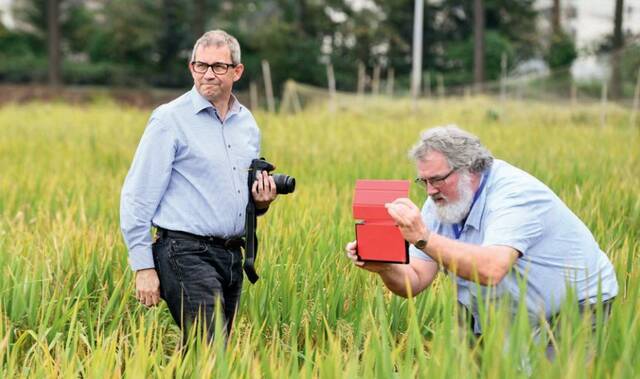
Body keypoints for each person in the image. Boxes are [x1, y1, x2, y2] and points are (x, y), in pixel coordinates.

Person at [345, 125, 618, 357]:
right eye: (423, 181)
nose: (430, 191)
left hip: (571, 309)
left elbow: (491, 269)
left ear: (471, 169)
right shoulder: (439, 201)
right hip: (498, 309)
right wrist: (384, 266)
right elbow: (413, 281)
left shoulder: (515, 196)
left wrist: (423, 238)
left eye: (437, 179)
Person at [120, 29, 277, 343]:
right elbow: (136, 196)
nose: (208, 74)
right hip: (184, 251)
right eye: (200, 65)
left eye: (218, 66)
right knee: (211, 348)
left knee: (207, 353)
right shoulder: (169, 120)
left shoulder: (246, 123)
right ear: (191, 67)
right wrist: (143, 267)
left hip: (232, 253)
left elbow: (236, 194)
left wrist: (261, 202)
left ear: (237, 71)